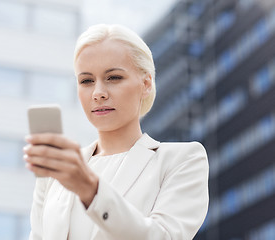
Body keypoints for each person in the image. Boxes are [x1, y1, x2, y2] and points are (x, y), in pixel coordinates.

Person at [23, 24, 209, 240]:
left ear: (146, 83)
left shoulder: (181, 160)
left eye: (113, 78)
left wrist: (90, 189)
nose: (98, 93)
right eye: (86, 81)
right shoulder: (54, 177)